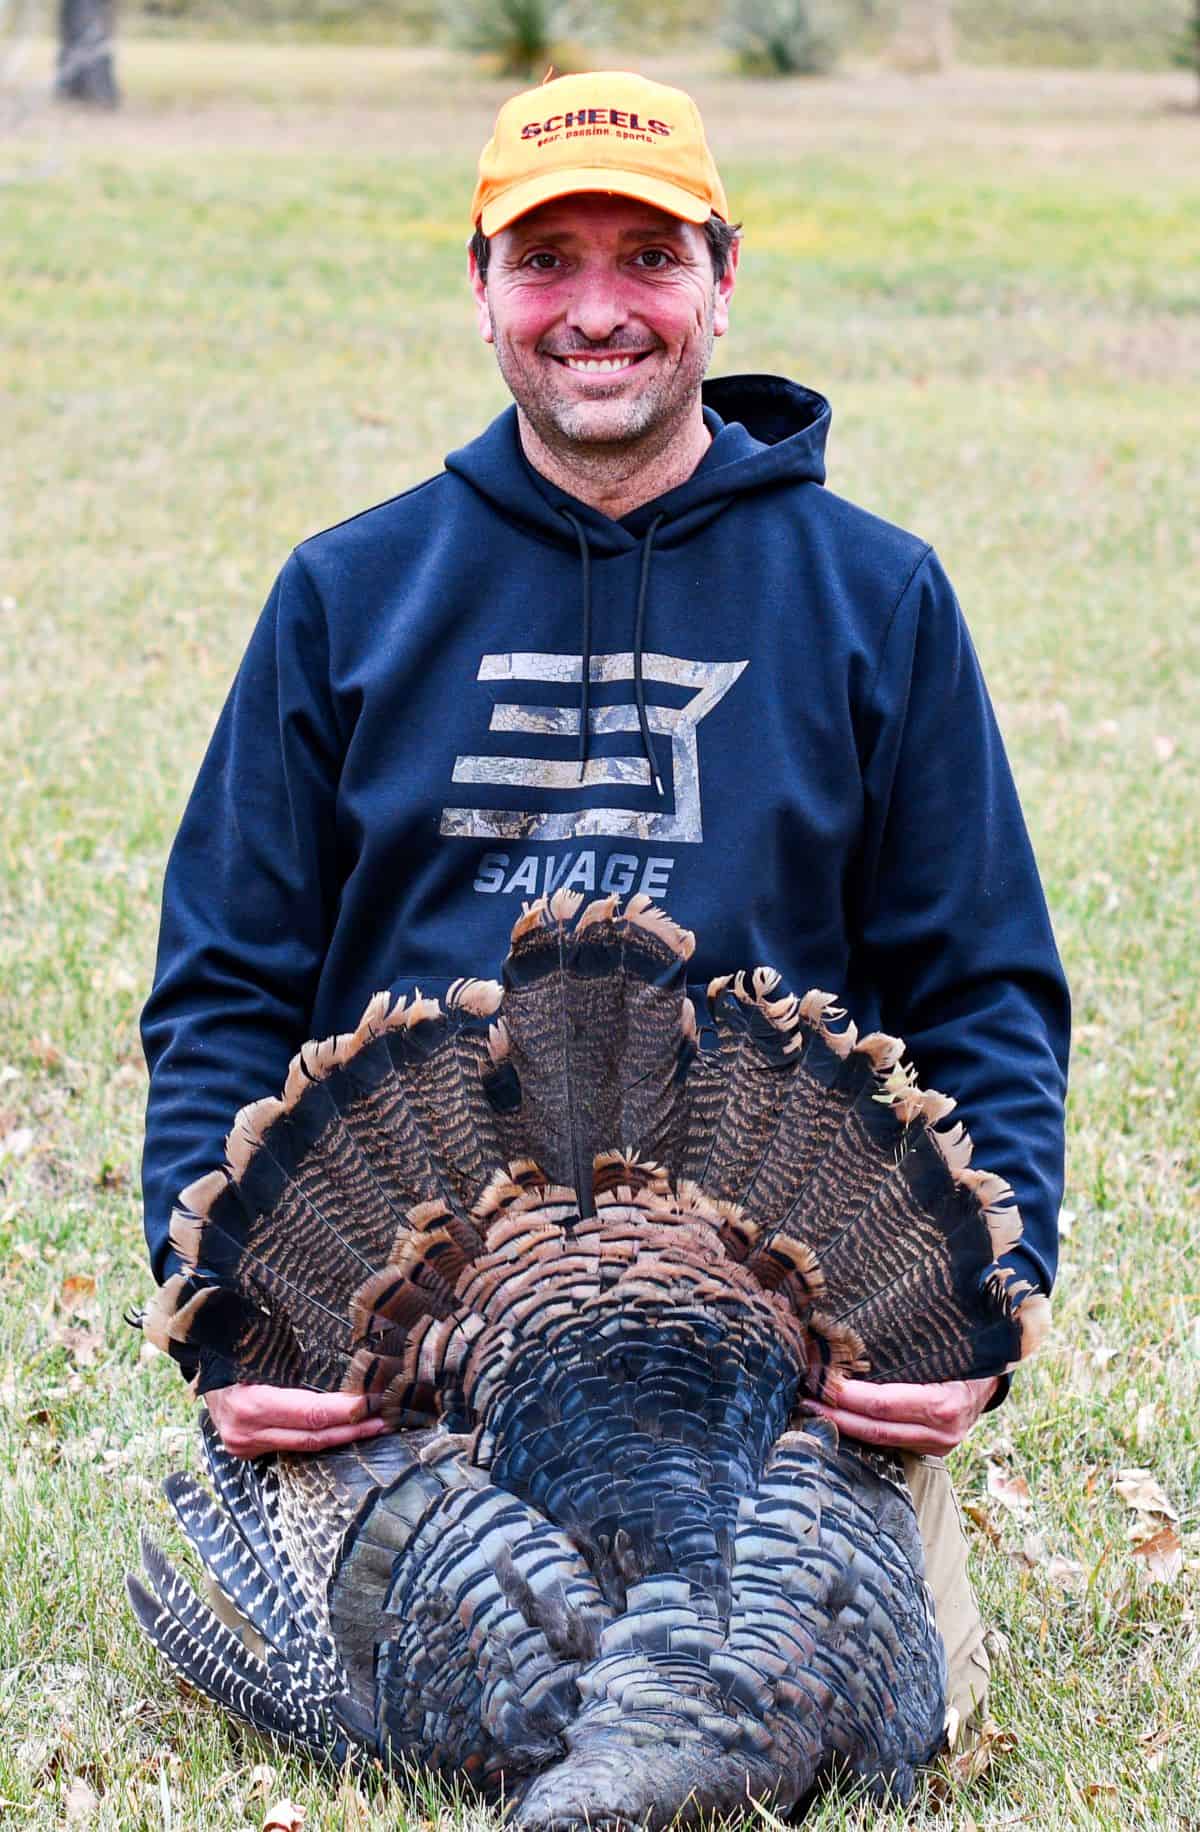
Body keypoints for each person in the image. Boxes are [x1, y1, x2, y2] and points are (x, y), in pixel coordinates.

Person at [140, 70, 1070, 1733]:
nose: (596, 310)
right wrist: (232, 1321)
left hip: (769, 1367)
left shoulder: (877, 595)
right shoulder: (348, 593)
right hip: (415, 1354)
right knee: (466, 1724)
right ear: (480, 293)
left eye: (646, 256)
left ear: (723, 282)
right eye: (544, 258)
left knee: (831, 1728)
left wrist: (977, 1315)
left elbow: (983, 981)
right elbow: (226, 980)